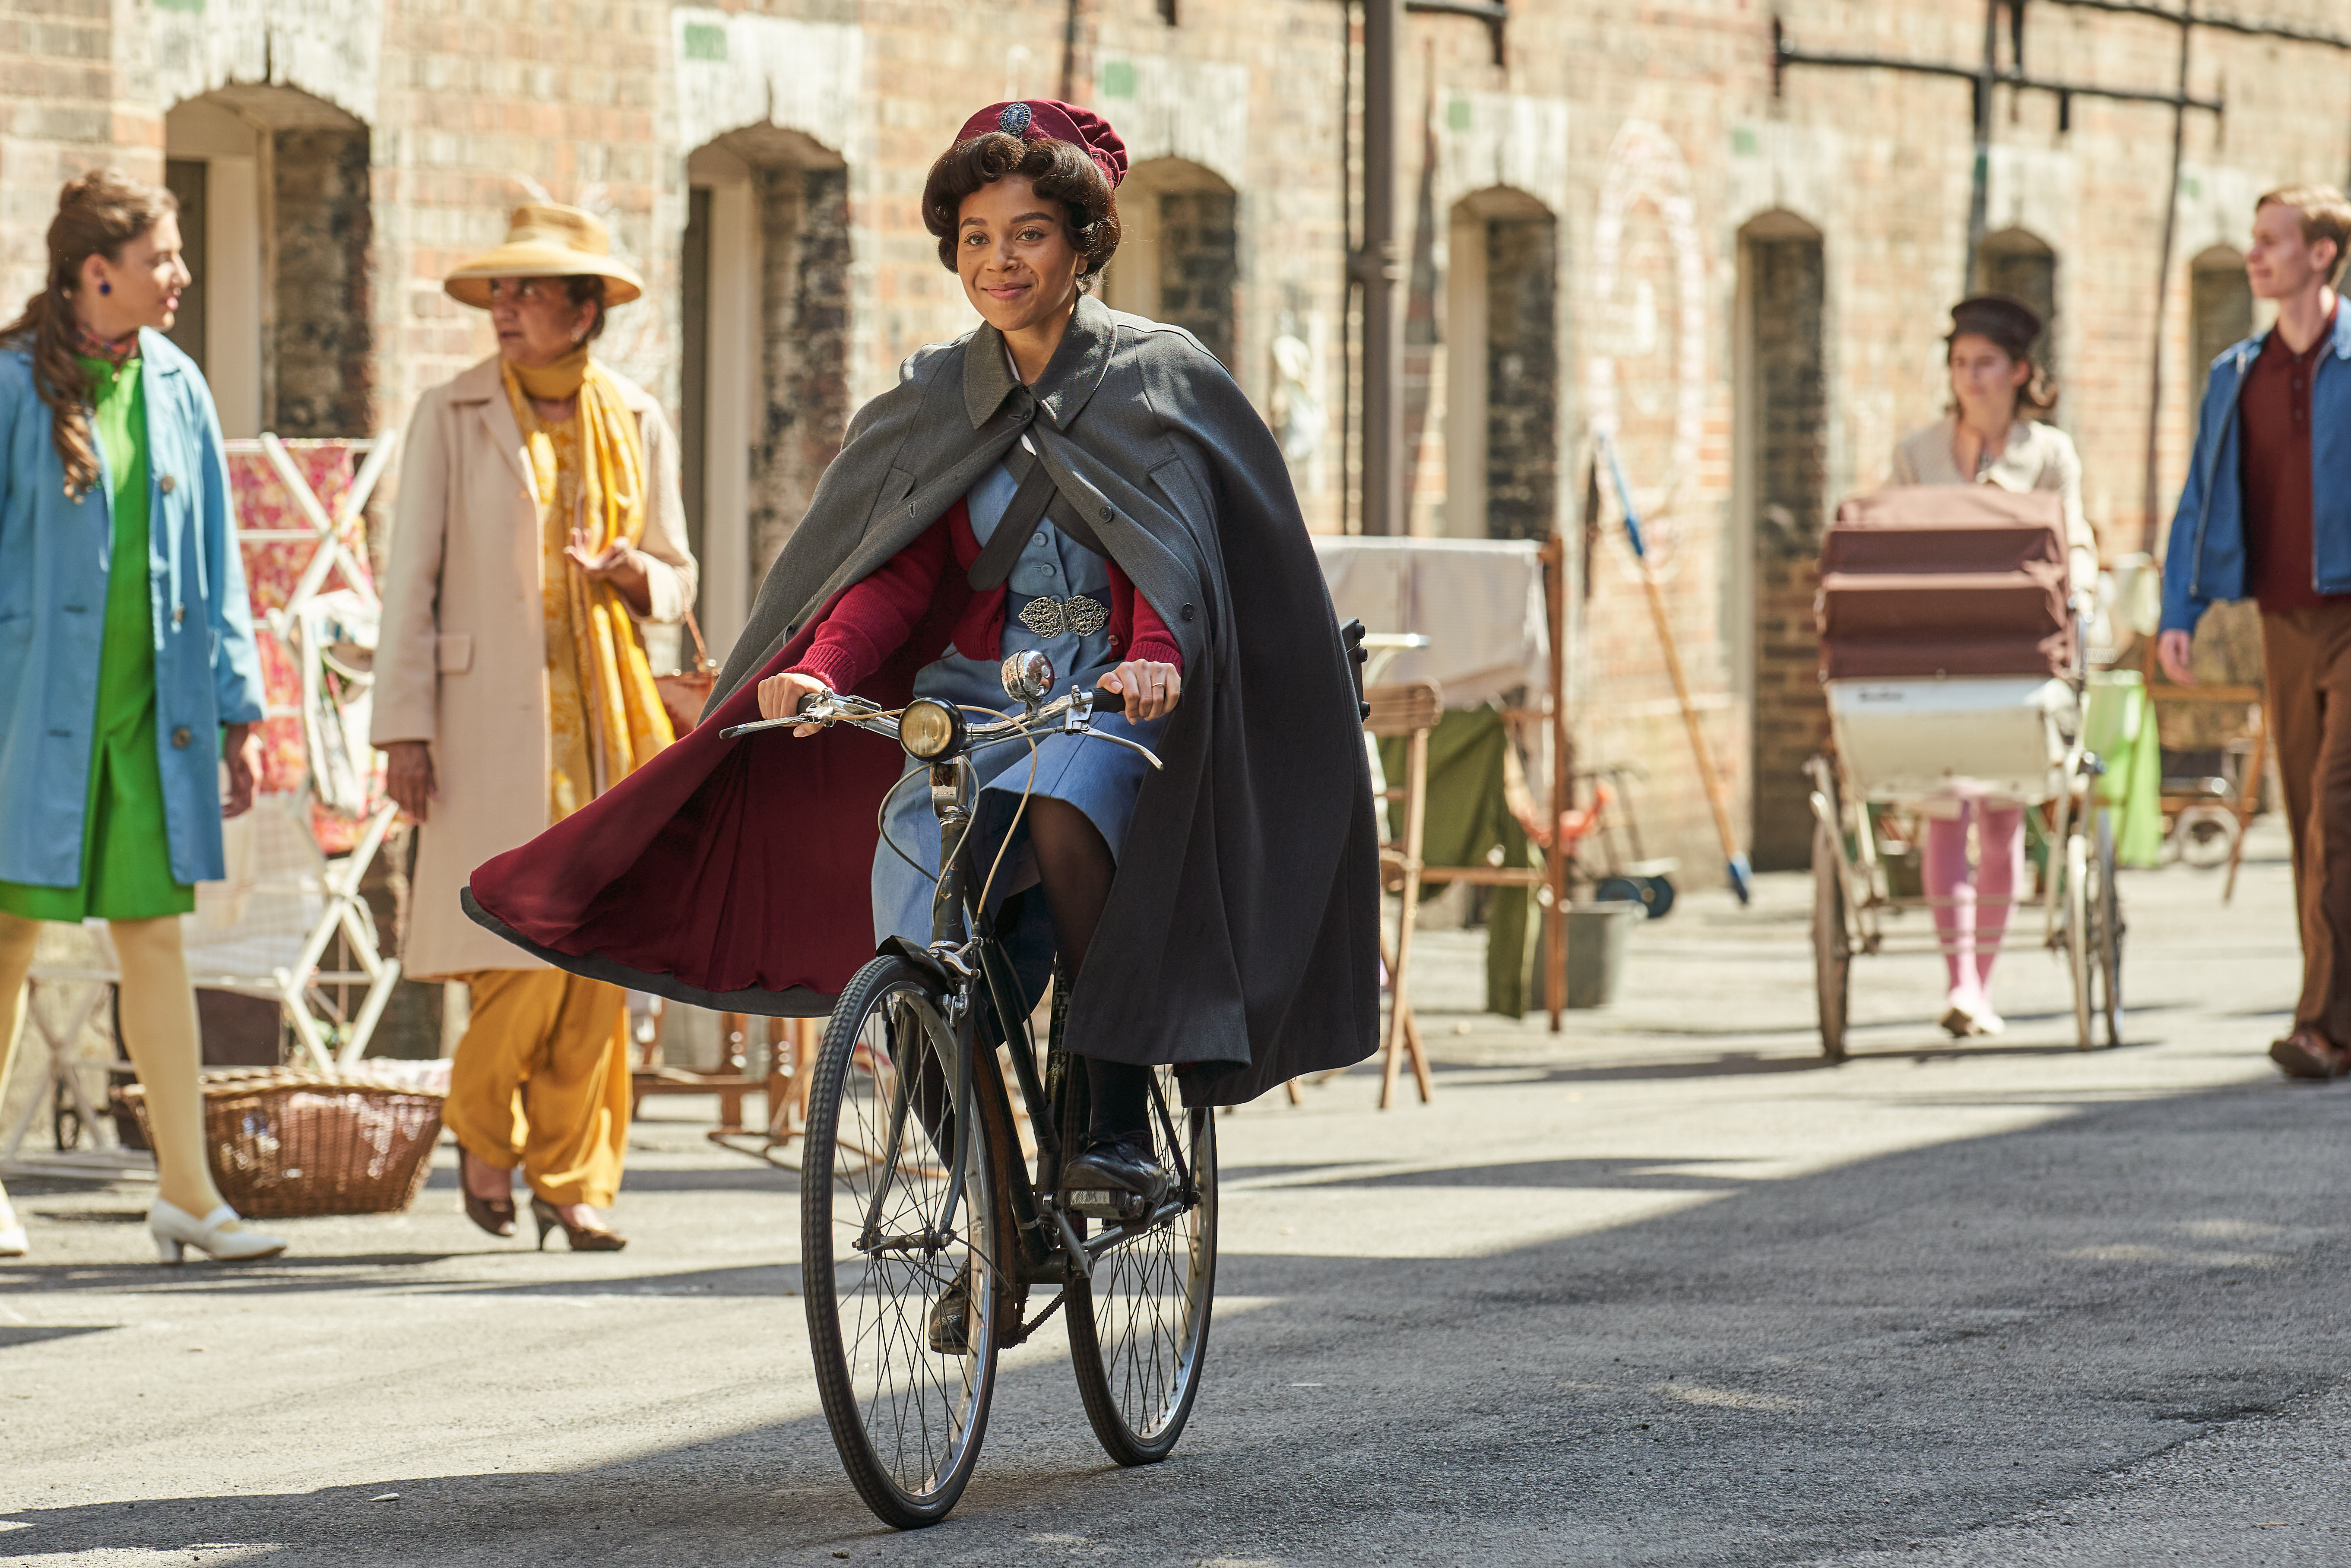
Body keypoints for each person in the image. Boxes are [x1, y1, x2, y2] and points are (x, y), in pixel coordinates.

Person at [460, 101, 1378, 1210]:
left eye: (1030, 233)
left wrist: (1152, 656)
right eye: (977, 237)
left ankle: (1112, 1125)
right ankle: (995, 1214)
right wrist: (823, 670)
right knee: (916, 942)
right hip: (970, 702)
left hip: (1109, 696)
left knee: (1067, 807)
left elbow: (1171, 557)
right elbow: (891, 569)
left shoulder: (1155, 377)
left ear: (1083, 243)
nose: (1000, 261)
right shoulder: (935, 395)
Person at [373, 203, 698, 1248]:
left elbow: (678, 575)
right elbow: (410, 580)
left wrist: (632, 571)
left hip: (612, 727)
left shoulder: (636, 415)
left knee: (596, 951)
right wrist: (402, 729)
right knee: (512, 947)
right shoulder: (450, 411)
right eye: (499, 293)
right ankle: (485, 1134)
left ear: (583, 310)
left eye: (528, 293)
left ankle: (575, 1177)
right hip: (481, 726)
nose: (505, 309)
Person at [0, 170, 284, 1263]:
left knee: (155, 942)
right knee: (8, 934)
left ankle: (187, 1193)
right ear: (96, 271)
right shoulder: (11, 385)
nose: (182, 275)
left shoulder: (177, 383)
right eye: (162, 257)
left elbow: (219, 560)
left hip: (149, 720)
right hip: (28, 716)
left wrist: (238, 707)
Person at [2158, 184, 2351, 1081]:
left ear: (2321, 254)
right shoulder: (2236, 374)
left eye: (2272, 240)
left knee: (2338, 812)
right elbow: (2199, 496)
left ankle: (2319, 1024)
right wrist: (2180, 610)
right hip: (2282, 618)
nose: (2255, 254)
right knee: (2308, 816)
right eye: (2253, 239)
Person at [1892, 294, 2098, 1038]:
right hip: (1936, 653)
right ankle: (1960, 983)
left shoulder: (2048, 455)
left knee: (2003, 814)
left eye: (1984, 363)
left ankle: (1982, 978)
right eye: (1959, 363)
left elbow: (2075, 540)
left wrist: (2083, 593)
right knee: (1946, 808)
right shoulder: (1917, 454)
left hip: (2015, 650)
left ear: (2017, 372)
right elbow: (1894, 541)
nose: (1969, 378)